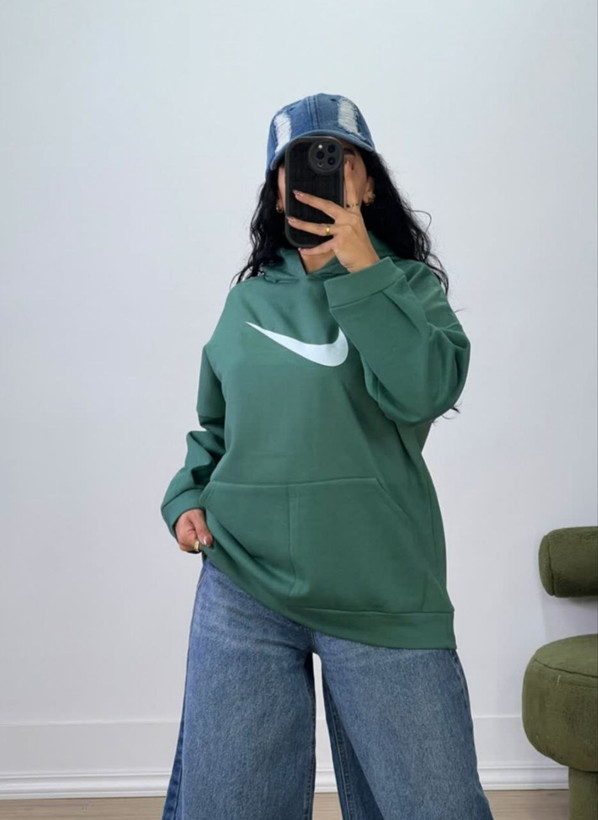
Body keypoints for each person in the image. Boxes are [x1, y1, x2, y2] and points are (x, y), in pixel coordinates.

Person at [160, 93, 494, 819]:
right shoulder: (248, 302)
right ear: (277, 189)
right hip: (244, 586)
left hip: (379, 589)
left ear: (367, 182)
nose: (317, 172)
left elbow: (425, 389)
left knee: (436, 806)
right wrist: (187, 494)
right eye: (296, 163)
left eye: (336, 157)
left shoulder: (408, 289)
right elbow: (219, 428)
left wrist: (361, 268)